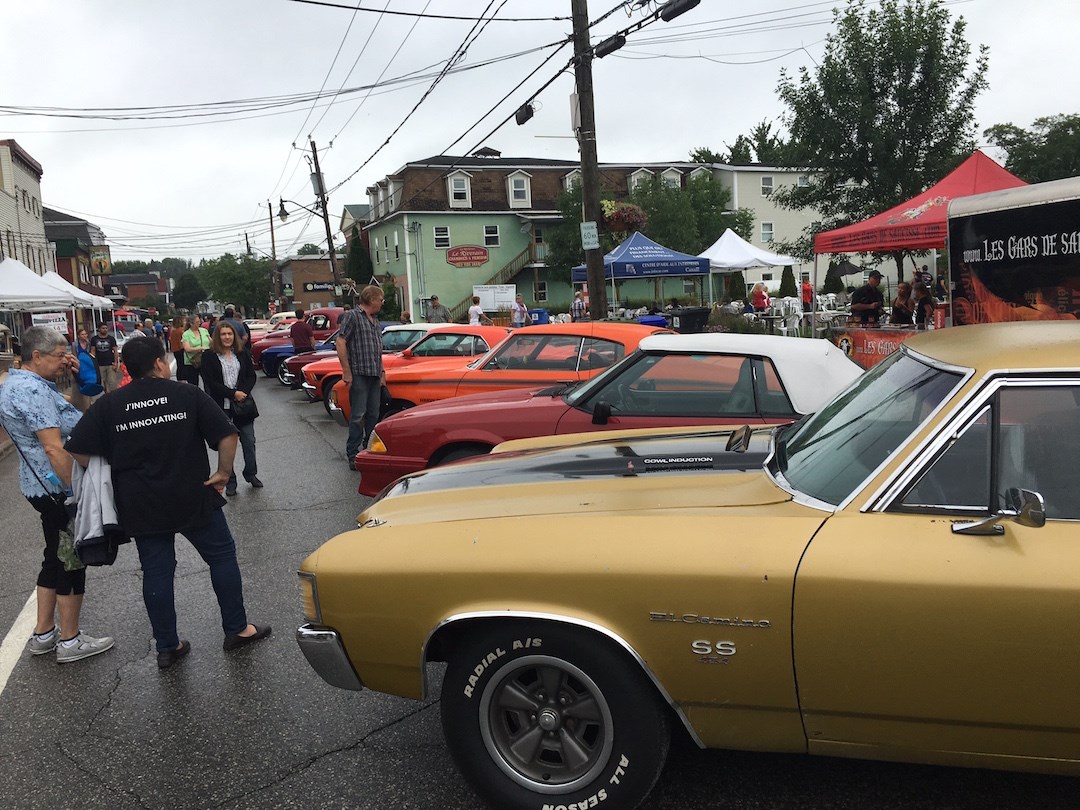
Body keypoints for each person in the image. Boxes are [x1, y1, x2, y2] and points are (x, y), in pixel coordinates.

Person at [65, 337, 270, 670]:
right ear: (161, 363)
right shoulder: (187, 394)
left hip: (141, 502)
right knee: (221, 557)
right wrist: (222, 473)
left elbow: (76, 448)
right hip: (192, 494)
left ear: (127, 367)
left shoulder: (109, 405)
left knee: (157, 572)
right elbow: (227, 434)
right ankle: (237, 629)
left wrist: (111, 473)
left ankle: (167, 647)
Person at [0, 326, 114, 664]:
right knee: (71, 558)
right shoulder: (31, 391)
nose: (65, 361)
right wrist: (76, 495)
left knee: (54, 556)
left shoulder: (23, 385)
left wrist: (77, 381)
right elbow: (54, 447)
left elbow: (77, 420)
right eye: (58, 356)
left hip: (38, 486)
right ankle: (70, 640)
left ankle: (43, 633)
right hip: (55, 487)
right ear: (36, 356)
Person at [199, 321, 261, 495]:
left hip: (243, 407)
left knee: (249, 442)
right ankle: (230, 482)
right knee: (226, 447)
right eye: (223, 334)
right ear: (217, 337)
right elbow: (211, 382)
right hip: (222, 408)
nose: (227, 337)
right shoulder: (209, 357)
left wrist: (243, 392)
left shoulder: (242, 354)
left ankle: (251, 474)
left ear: (234, 336)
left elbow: (251, 376)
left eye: (230, 334)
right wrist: (233, 393)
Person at [336, 285, 385, 469]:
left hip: (374, 373)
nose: (382, 303)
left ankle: (369, 449)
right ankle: (353, 453)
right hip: (359, 373)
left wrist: (382, 372)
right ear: (372, 299)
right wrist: (346, 371)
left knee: (374, 413)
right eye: (381, 299)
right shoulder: (353, 316)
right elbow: (341, 342)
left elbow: (377, 350)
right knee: (358, 414)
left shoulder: (375, 321)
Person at [181, 317, 212, 386]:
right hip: (192, 361)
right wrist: (200, 348)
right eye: (197, 322)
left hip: (205, 359)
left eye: (199, 321)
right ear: (191, 323)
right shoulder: (186, 334)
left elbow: (211, 341)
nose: (199, 323)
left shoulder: (204, 331)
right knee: (193, 383)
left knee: (208, 381)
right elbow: (187, 348)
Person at [91, 322, 121, 392]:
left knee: (112, 382)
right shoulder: (94, 339)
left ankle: (113, 396)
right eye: (103, 328)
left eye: (106, 328)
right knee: (101, 383)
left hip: (110, 364)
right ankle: (105, 395)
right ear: (99, 329)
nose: (105, 330)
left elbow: (115, 351)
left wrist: (116, 362)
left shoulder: (111, 339)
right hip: (99, 364)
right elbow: (93, 351)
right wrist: (93, 363)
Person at [169, 316, 188, 382]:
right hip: (181, 349)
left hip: (175, 349)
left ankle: (179, 379)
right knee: (183, 365)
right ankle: (184, 378)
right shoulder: (181, 330)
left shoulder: (172, 330)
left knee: (179, 365)